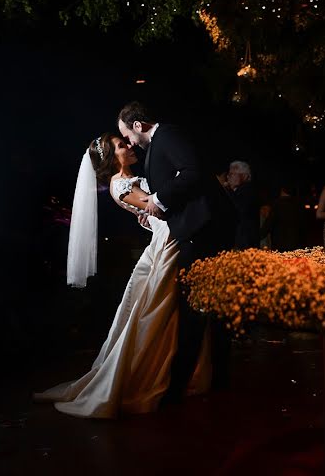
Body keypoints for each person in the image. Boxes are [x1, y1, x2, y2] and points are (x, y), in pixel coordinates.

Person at [34, 134, 211, 418]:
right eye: (121, 145)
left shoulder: (132, 179)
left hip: (170, 237)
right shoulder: (120, 185)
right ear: (111, 158)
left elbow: (154, 211)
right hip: (170, 242)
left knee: (169, 311)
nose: (128, 146)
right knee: (162, 311)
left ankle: (180, 371)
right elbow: (160, 209)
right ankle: (154, 374)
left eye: (125, 142)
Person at [117, 101, 233, 401]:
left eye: (128, 135)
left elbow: (192, 172)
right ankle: (208, 379)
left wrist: (159, 198)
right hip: (195, 230)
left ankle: (179, 386)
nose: (130, 142)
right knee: (202, 307)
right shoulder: (160, 142)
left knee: (195, 309)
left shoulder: (167, 135)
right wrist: (157, 209)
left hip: (204, 230)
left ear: (139, 126)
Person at [222, 160, 260, 250]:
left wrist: (227, 190)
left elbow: (237, 210)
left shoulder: (247, 190)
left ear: (244, 176)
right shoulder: (240, 190)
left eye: (232, 174)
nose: (228, 177)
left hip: (245, 241)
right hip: (242, 240)